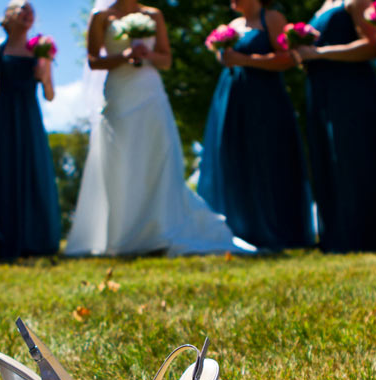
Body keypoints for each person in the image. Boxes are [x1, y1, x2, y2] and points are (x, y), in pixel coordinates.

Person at [65, 0, 256, 257]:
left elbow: (166, 60)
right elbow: (93, 61)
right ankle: (122, 235)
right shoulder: (101, 16)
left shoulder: (153, 15)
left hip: (149, 90)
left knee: (156, 157)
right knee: (122, 160)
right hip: (120, 92)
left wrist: (147, 54)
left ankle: (160, 230)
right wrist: (123, 56)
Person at [291, 0, 376, 253]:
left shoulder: (353, 1)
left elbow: (372, 45)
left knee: (359, 155)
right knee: (332, 158)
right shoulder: (321, 8)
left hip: (350, 88)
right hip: (322, 92)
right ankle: (343, 234)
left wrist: (320, 54)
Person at [197, 0, 314, 250]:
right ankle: (237, 229)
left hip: (264, 99)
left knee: (268, 157)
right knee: (234, 157)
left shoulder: (272, 18)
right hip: (230, 98)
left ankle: (275, 230)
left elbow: (287, 58)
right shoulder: (232, 25)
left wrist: (244, 60)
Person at [0, 1, 61, 260]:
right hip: (4, 118)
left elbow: (50, 95)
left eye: (31, 10)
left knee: (35, 170)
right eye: (21, 8)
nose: (27, 13)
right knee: (3, 171)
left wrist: (43, 74)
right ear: (8, 16)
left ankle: (37, 240)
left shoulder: (40, 50)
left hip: (30, 118)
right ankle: (1, 240)